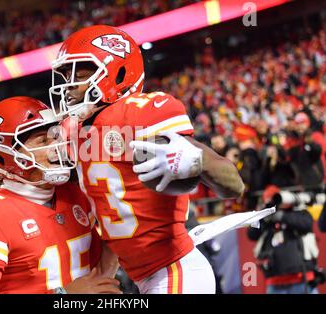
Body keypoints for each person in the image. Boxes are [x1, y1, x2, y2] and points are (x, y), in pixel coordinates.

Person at [48, 25, 244, 294]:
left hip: (175, 270)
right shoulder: (76, 132)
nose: (68, 86)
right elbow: (111, 217)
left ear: (117, 72)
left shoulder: (141, 114)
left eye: (80, 72)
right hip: (143, 278)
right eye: (64, 75)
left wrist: (197, 160)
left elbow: (234, 185)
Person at [0, 96, 120, 294]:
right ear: (3, 154)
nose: (56, 146)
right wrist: (64, 295)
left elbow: (115, 241)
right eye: (43, 140)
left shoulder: (74, 193)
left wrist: (103, 278)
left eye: (55, 137)